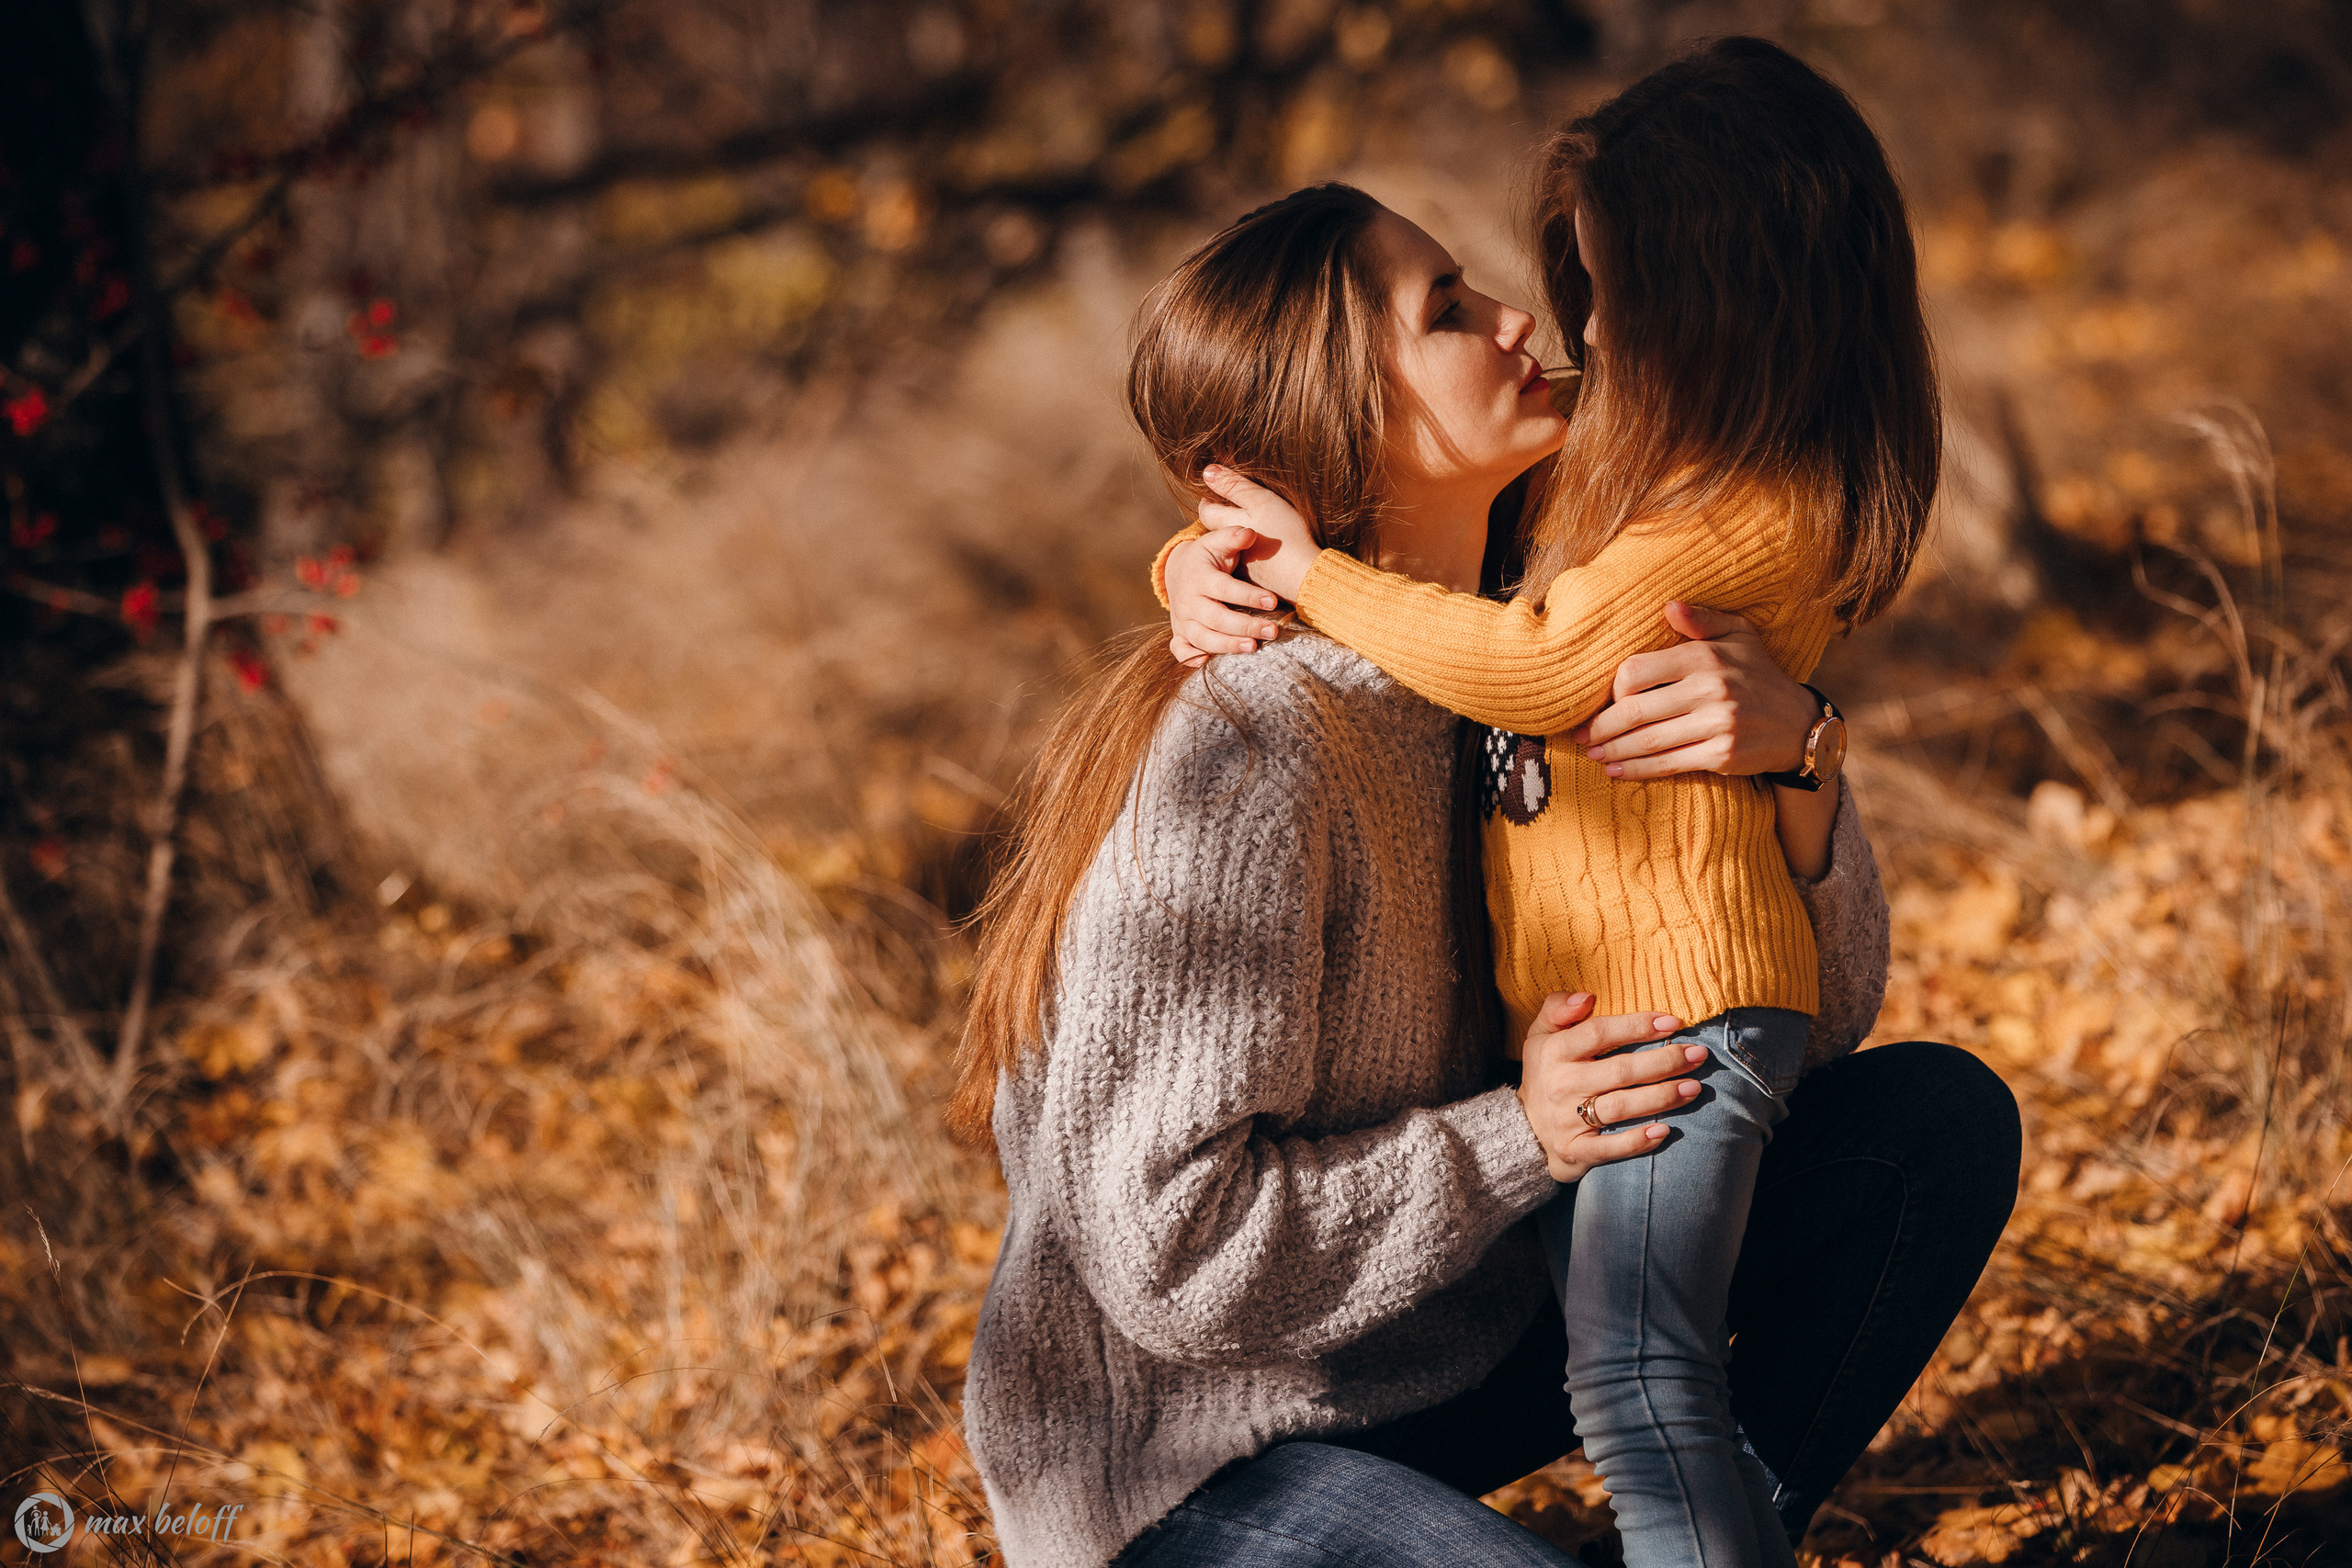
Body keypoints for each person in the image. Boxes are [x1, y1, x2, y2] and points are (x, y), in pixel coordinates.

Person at [956, 176, 2015, 1568]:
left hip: (1455, 1345)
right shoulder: (1256, 751)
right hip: (1195, 1458)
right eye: (1447, 310)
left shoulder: (1552, 633)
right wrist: (1525, 1137)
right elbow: (1172, 1256)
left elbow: (1816, 1029)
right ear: (1344, 422)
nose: (1521, 318)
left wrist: (1799, 759)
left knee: (1925, 1127)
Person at [1157, 39, 1951, 1567]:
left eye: (1606, 296)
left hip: (1668, 1024)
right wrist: (1194, 563)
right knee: (1642, 1385)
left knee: (1647, 1386)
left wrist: (1806, 753)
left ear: (1718, 305)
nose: (1559, 332)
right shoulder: (1609, 473)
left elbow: (1525, 672)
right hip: (1244, 1393)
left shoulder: (1701, 508)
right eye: (1495, 301)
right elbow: (1321, 467)